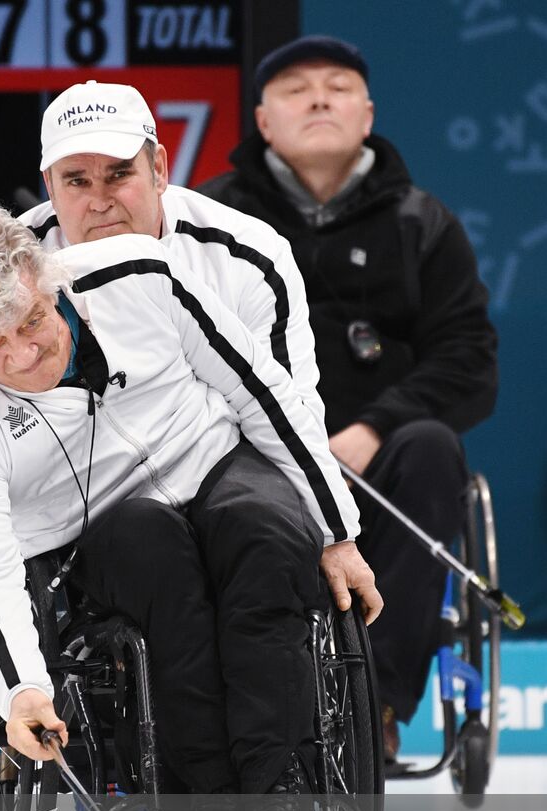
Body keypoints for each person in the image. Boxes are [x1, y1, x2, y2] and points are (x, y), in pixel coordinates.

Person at [0, 207, 381, 800]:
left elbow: (263, 393)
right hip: (101, 527)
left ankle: (279, 788)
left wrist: (336, 532)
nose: (23, 355)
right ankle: (208, 797)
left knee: (266, 532)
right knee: (155, 554)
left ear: (50, 283)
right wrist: (23, 691)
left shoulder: (142, 277)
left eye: (32, 321)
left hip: (210, 460)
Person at [197, 36, 499, 763]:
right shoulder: (207, 219)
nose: (321, 98)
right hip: (244, 449)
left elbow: (468, 358)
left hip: (370, 456)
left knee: (431, 449)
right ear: (264, 121)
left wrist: (374, 425)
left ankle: (377, 708)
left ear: (367, 114)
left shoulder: (423, 224)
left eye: (339, 86)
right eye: (299, 89)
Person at [18, 80, 324, 427]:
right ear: (50, 188)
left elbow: (294, 421)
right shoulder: (9, 269)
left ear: (158, 170)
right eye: (77, 181)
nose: (101, 202)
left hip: (219, 469)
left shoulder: (251, 258)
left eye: (119, 174)